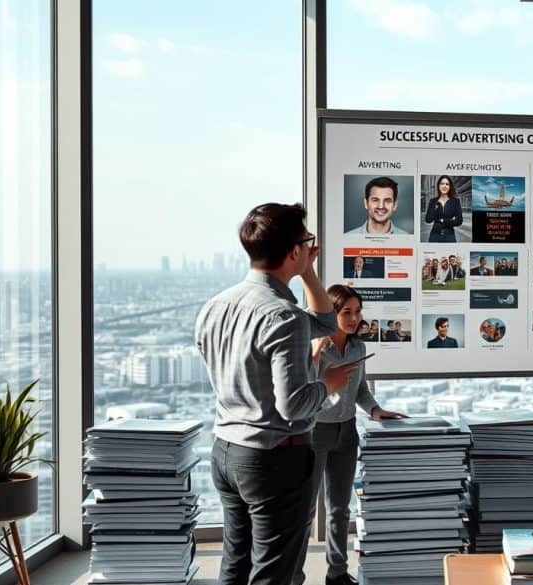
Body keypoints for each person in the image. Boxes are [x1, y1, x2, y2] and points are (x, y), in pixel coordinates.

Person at [195, 203, 360, 585]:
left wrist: (309, 272)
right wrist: (328, 385)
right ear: (293, 250)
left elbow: (322, 321)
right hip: (274, 458)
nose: (310, 247)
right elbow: (294, 406)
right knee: (275, 573)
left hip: (226, 452)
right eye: (307, 242)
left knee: (235, 564)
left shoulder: (214, 306)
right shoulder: (283, 316)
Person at [292, 285, 406, 585]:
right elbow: (300, 391)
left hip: (347, 432)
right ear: (332, 313)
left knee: (340, 509)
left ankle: (337, 573)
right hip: (314, 432)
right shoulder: (313, 347)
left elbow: (360, 390)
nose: (354, 318)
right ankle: (293, 576)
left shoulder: (357, 347)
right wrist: (314, 355)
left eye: (357, 312)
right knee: (305, 510)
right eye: (346, 312)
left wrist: (375, 410)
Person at [423, 175, 463, 243]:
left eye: (447, 184)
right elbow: (428, 220)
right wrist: (435, 208)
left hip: (450, 236)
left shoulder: (455, 201)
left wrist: (443, 221)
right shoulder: (433, 201)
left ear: (450, 187)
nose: (444, 186)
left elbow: (459, 220)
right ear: (439, 186)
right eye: (442, 184)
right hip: (434, 235)